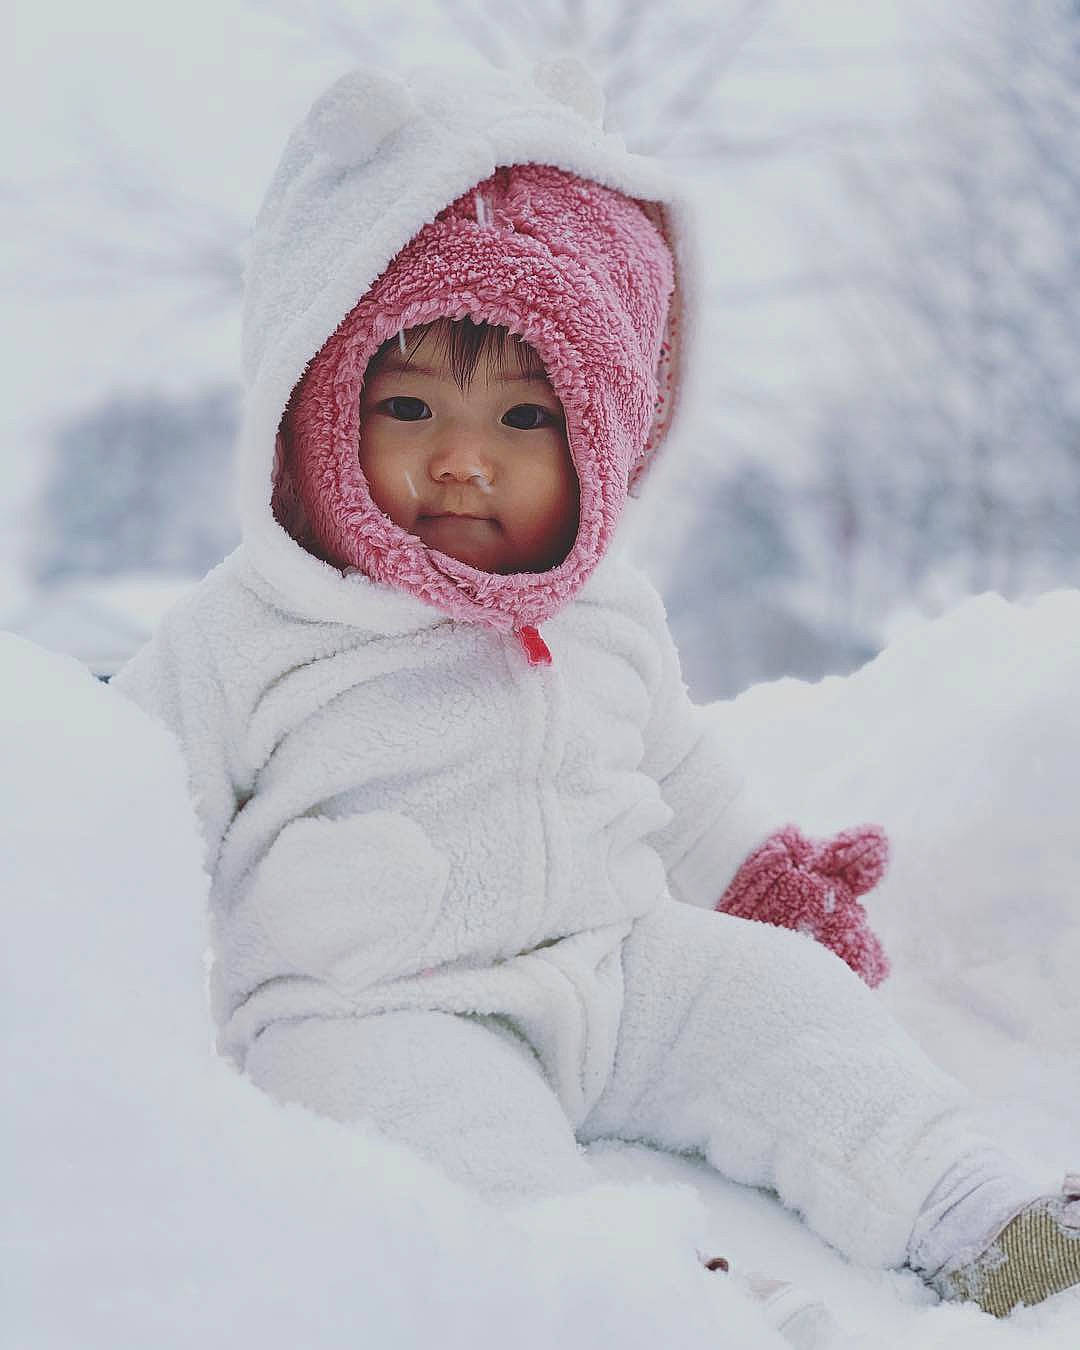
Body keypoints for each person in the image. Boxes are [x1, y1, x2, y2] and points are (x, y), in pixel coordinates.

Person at [113, 57, 1079, 1340]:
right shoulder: (253, 627)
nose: (462, 457)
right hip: (376, 1013)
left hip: (624, 969)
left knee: (788, 1010)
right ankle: (612, 1305)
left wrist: (758, 885)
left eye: (525, 417)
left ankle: (979, 1220)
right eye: (406, 405)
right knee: (447, 1154)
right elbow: (115, 811)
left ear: (607, 436)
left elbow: (674, 773)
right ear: (312, 398)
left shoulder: (610, 610)